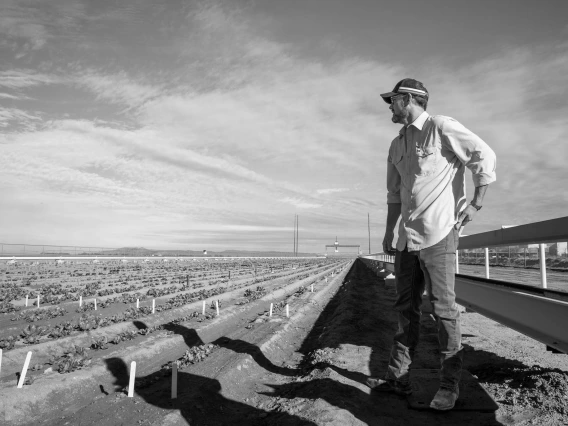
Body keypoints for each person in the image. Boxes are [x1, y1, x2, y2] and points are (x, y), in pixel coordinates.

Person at [366, 78, 496, 411]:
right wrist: (388, 232)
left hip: (439, 236)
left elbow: (484, 155)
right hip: (408, 240)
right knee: (405, 310)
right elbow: (394, 194)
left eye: (391, 100)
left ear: (408, 99)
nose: (389, 107)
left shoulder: (440, 127)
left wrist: (476, 204)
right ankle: (397, 378)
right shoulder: (396, 145)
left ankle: (449, 386)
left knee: (443, 310)